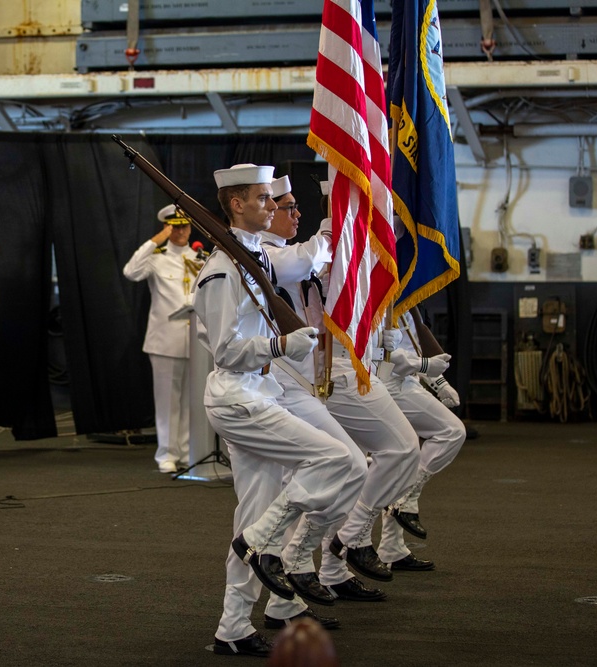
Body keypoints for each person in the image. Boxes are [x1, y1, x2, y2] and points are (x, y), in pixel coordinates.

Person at [192, 164, 366, 658]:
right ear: (235, 204)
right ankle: (269, 545)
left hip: (259, 393)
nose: (273, 206)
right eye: (264, 199)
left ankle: (233, 627)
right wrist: (281, 344)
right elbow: (226, 349)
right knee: (336, 461)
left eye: (273, 199)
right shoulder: (224, 269)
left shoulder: (253, 257)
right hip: (238, 397)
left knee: (253, 511)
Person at [259, 177, 418, 603]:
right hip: (285, 385)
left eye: (296, 207)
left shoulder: (295, 253)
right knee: (314, 482)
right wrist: (336, 226)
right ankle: (292, 582)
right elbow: (299, 263)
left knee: (341, 473)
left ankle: (319, 568)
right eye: (285, 207)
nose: (295, 214)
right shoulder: (266, 254)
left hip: (318, 379)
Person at [375, 307, 466, 571]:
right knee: (451, 431)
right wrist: (426, 366)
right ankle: (405, 498)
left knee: (407, 461)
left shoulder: (412, 303)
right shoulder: (383, 299)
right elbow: (384, 354)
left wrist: (439, 383)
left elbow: (416, 348)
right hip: (387, 384)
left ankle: (392, 548)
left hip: (408, 382)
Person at [122, 204, 204, 473]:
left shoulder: (201, 258)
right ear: (168, 228)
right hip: (165, 339)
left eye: (185, 225)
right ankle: (167, 454)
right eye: (176, 226)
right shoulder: (156, 257)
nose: (181, 231)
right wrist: (155, 240)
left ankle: (188, 452)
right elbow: (131, 272)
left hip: (197, 340)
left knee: (193, 400)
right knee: (168, 400)